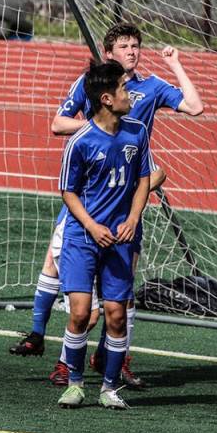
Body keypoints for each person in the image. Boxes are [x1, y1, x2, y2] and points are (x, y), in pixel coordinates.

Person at [9, 22, 203, 390]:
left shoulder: (149, 88)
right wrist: (99, 129)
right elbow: (57, 123)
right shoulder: (94, 85)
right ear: (109, 51)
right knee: (65, 274)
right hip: (92, 194)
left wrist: (176, 64)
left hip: (127, 198)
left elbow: (194, 106)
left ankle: (115, 361)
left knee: (121, 291)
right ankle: (52, 348)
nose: (132, 51)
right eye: (124, 45)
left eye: (136, 45)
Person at [54, 60, 153, 410]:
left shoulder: (137, 132)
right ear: (107, 99)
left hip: (120, 240)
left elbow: (144, 179)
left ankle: (110, 388)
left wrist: (133, 218)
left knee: (116, 313)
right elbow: (68, 191)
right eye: (125, 90)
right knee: (81, 313)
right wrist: (93, 226)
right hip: (84, 238)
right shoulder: (80, 141)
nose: (131, 96)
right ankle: (76, 383)